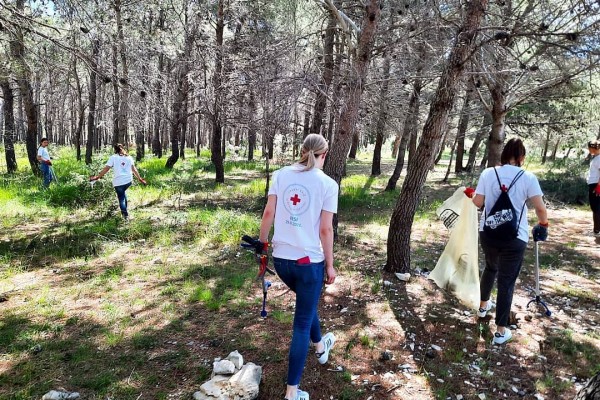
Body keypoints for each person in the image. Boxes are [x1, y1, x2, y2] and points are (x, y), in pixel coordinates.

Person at [258, 133, 338, 400]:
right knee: (302, 323)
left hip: (282, 261)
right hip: (309, 263)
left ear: (302, 151)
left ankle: (320, 347)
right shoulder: (328, 184)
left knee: (307, 303)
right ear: (323, 154)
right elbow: (326, 230)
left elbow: (268, 213)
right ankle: (292, 391)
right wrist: (330, 265)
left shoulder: (281, 175)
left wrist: (262, 245)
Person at [470, 138, 548, 345]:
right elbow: (540, 208)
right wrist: (544, 225)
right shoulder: (528, 177)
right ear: (521, 157)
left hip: (488, 233)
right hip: (515, 237)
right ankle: (501, 331)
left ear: (504, 155)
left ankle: (483, 306)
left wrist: (473, 195)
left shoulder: (488, 173)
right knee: (506, 281)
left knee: (490, 267)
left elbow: (478, 202)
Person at [90, 144, 146, 219]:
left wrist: (97, 177)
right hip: (128, 181)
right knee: (123, 194)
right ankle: (125, 212)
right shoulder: (129, 157)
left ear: (115, 149)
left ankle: (125, 216)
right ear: (123, 148)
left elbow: (106, 169)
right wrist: (140, 178)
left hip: (118, 182)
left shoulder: (113, 157)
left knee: (121, 198)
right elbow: (134, 169)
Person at [586, 140, 600, 236]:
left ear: (592, 148)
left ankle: (597, 230)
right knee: (595, 207)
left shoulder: (599, 159)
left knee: (596, 208)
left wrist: (599, 186)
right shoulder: (596, 158)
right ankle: (596, 229)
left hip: (596, 185)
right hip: (593, 184)